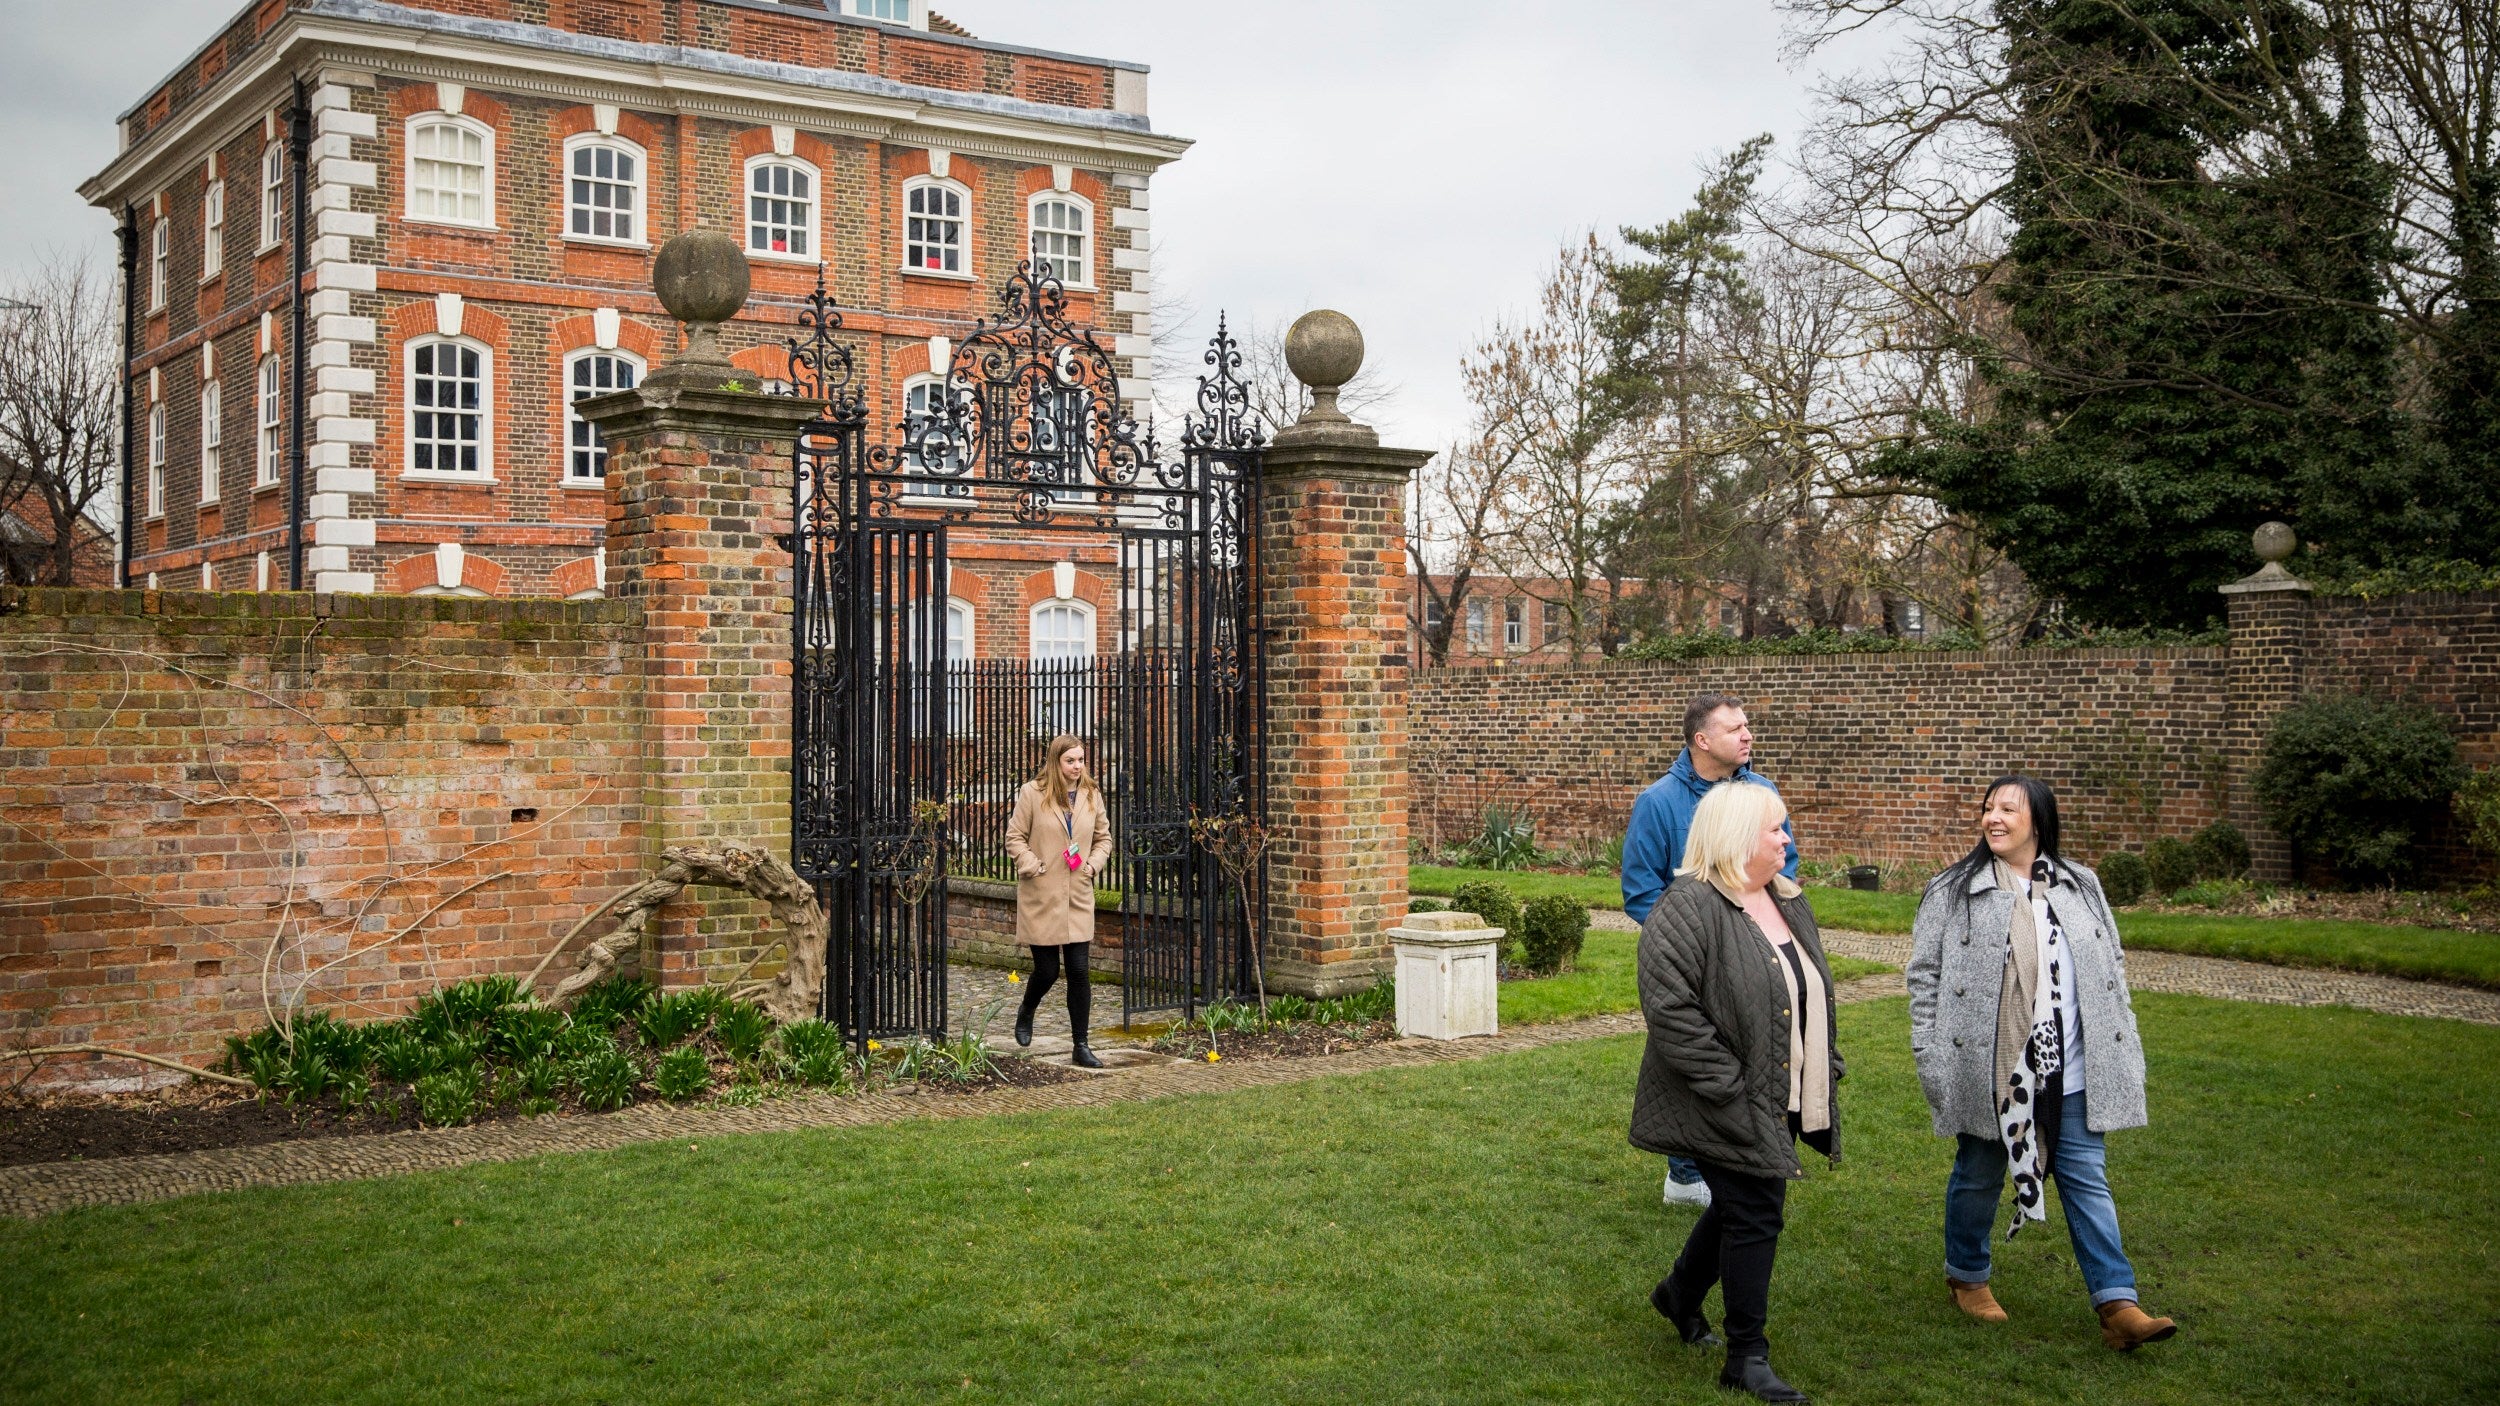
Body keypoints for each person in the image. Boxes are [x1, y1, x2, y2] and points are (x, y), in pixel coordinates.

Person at [1906, 775, 2177, 1352]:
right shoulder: (1954, 889)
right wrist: (1929, 1052)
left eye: (2009, 808)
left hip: (2074, 1065)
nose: (1993, 818)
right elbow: (1924, 977)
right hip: (1992, 1066)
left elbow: (2112, 964)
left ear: (2039, 820)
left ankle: (2117, 1303)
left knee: (2087, 1179)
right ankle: (1968, 1275)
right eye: (1988, 808)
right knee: (1978, 1174)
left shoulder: (2081, 885)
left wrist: (2122, 1035)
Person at [1633, 781, 1840, 1405]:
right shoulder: (1688, 907)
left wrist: (1824, 1062)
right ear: (1735, 838)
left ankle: (1678, 1294)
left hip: (1774, 1089)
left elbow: (1808, 986)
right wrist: (1729, 1084)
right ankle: (1746, 1356)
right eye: (1775, 829)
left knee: (1737, 1204)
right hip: (1716, 1097)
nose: (1786, 839)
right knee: (1755, 1212)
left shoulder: (1786, 898)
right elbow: (1671, 1011)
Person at [1622, 692, 1800, 1208]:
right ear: (1702, 740)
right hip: (1693, 958)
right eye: (1734, 729)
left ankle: (1753, 1151)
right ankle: (1685, 1174)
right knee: (1694, 1052)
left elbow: (1783, 872)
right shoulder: (1659, 803)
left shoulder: (1763, 793)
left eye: (1748, 726)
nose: (1747, 735)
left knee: (1756, 1051)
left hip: (1757, 952)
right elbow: (1640, 890)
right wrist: (1683, 944)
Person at [1006, 734, 1114, 1069]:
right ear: (1056, 762)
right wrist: (1031, 864)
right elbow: (1014, 837)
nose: (1077, 767)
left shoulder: (1091, 794)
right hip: (1043, 893)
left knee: (1080, 970)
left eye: (1081, 760)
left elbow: (1103, 838)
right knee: (1048, 970)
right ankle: (1027, 1009)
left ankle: (1080, 1045)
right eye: (1071, 761)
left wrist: (1093, 864)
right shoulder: (1032, 794)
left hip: (1078, 892)